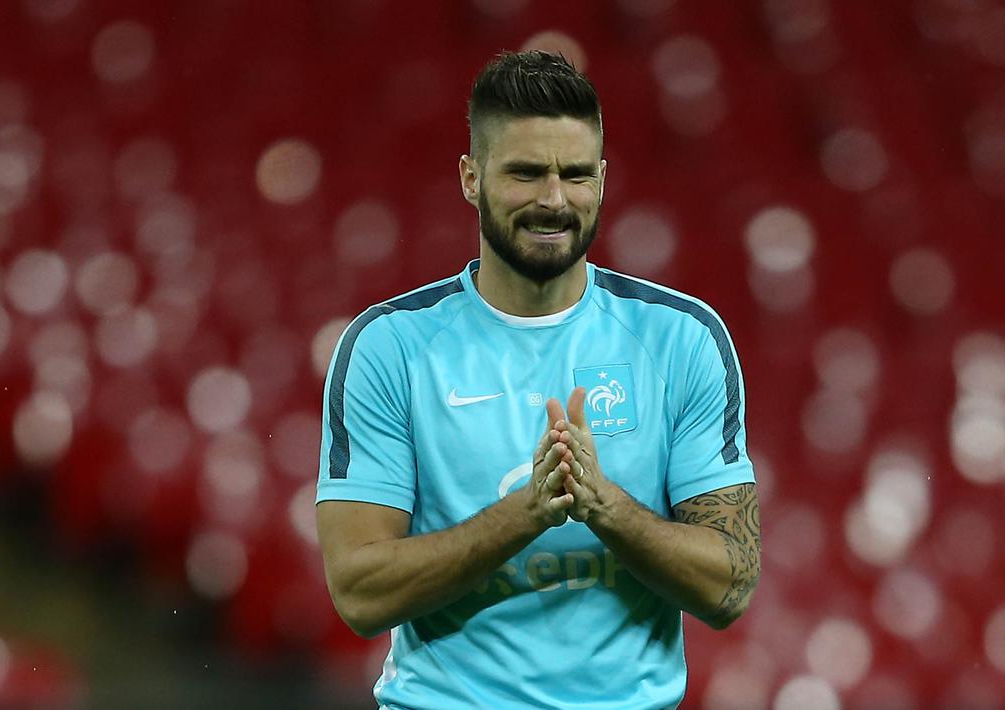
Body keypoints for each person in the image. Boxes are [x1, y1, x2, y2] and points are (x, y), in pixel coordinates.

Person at [316, 50, 760, 710]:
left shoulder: (680, 339)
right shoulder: (390, 348)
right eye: (525, 173)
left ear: (603, 179)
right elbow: (358, 594)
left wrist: (605, 507)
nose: (553, 199)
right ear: (471, 177)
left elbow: (731, 586)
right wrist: (525, 514)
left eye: (575, 174)